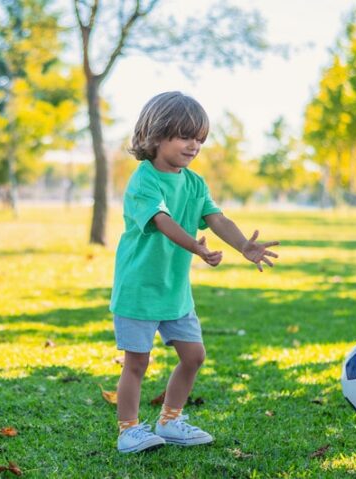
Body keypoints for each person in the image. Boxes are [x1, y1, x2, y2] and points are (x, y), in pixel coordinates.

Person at [110, 91, 279, 454]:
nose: (194, 145)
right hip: (138, 289)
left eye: (200, 139)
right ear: (155, 135)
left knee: (194, 356)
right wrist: (195, 247)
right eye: (185, 136)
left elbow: (217, 219)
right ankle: (129, 430)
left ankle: (170, 421)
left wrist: (243, 246)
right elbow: (162, 221)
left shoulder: (195, 183)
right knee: (136, 363)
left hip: (174, 292)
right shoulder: (144, 180)